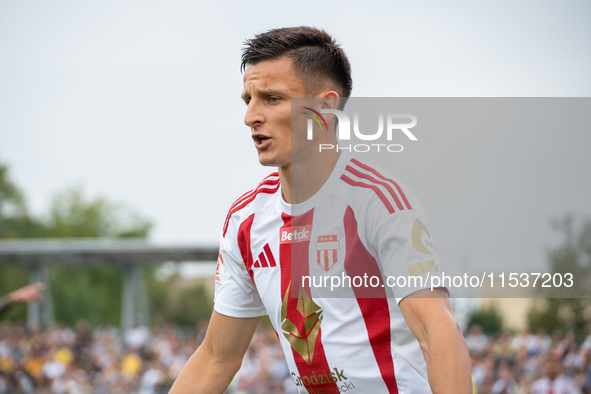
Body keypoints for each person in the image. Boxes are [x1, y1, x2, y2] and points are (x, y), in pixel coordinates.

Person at [170, 26, 471, 394]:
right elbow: (216, 357)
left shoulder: (380, 202)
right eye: (248, 99)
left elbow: (437, 332)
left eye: (272, 98)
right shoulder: (244, 221)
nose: (250, 116)